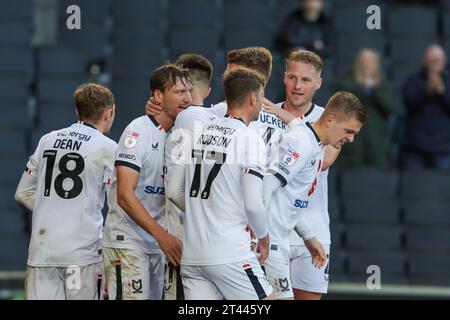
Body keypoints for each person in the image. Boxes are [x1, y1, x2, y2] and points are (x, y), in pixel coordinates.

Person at [167, 68, 274, 300]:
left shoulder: (199, 132)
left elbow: (174, 191)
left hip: (193, 256)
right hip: (230, 252)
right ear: (252, 98)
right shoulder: (249, 138)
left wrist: (203, 213)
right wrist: (264, 238)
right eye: (261, 97)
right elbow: (253, 204)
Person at [15, 83, 117, 299]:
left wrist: (52, 207)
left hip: (42, 253)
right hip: (82, 255)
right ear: (109, 113)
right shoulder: (108, 148)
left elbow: (23, 193)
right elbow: (117, 206)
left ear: (77, 111)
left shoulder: (47, 140)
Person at [264, 91, 366, 300]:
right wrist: (258, 233)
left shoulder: (315, 145)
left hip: (278, 239)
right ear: (330, 120)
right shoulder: (302, 143)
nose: (351, 139)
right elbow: (265, 185)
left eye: (355, 133)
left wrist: (308, 237)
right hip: (270, 242)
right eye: (348, 130)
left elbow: (288, 201)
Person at [102, 64, 191, 300]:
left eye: (188, 92)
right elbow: (124, 195)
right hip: (128, 242)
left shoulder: (178, 136)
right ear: (158, 96)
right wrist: (162, 235)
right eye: (179, 92)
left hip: (156, 245)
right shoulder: (138, 131)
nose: (187, 99)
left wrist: (160, 237)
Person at [261, 50, 340, 300]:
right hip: (271, 231)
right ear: (284, 78)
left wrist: (290, 120)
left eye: (306, 80)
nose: (297, 86)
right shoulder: (261, 114)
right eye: (293, 78)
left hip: (313, 229)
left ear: (318, 83)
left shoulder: (328, 118)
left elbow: (324, 160)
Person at [163, 53, 214, 300]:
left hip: (181, 239)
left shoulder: (182, 121)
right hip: (219, 242)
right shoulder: (224, 122)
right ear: (208, 90)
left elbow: (173, 191)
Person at [335, 48, 397, 169]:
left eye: (370, 61)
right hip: (352, 141)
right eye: (363, 60)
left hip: (376, 139)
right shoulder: (347, 80)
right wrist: (362, 88)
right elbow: (342, 101)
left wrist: (374, 90)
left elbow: (390, 108)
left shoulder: (383, 83)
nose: (366, 64)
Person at [401, 44, 450, 170]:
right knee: (414, 186)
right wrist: (426, 90)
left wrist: (442, 92)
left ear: (444, 61)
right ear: (424, 60)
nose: (435, 62)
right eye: (432, 58)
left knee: (442, 187)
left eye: (438, 59)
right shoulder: (413, 80)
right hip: (415, 146)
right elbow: (409, 103)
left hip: (443, 146)